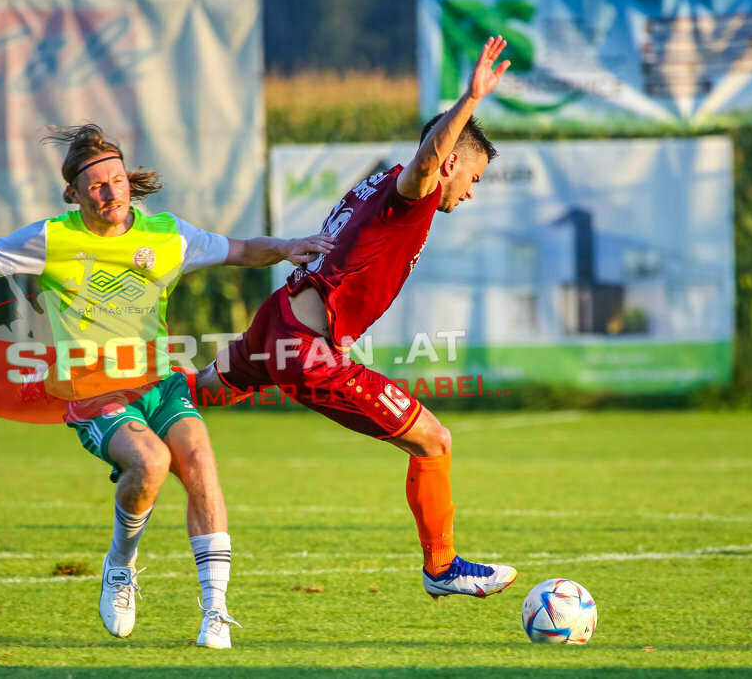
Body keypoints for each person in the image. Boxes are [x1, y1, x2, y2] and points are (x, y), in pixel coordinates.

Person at [0, 123, 333, 647]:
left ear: (128, 181)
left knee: (198, 459)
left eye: (116, 180)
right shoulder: (51, 238)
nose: (110, 193)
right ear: (72, 193)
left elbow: (241, 250)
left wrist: (288, 246)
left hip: (158, 381)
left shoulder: (168, 234)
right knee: (150, 464)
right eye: (96, 186)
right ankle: (120, 563)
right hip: (90, 392)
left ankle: (215, 613)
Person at [192, 36, 517, 600]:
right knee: (434, 442)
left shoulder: (377, 182)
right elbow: (427, 161)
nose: (471, 193)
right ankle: (442, 568)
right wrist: (468, 99)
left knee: (199, 390)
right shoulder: (412, 189)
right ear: (453, 162)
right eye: (475, 178)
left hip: (279, 319)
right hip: (309, 350)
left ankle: (123, 412)